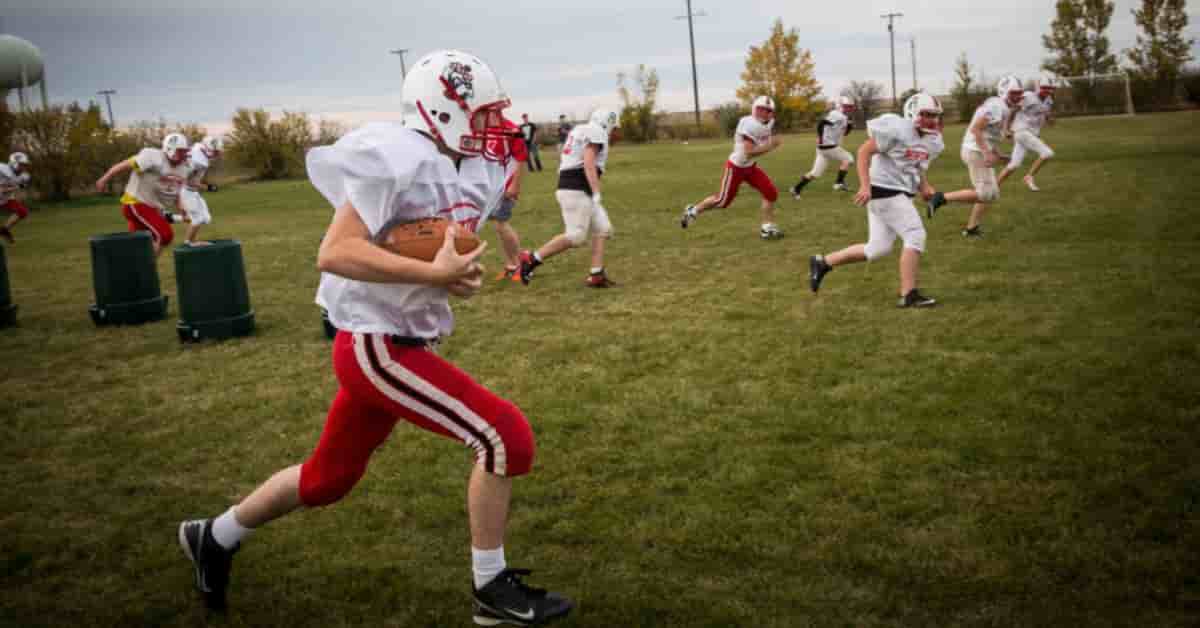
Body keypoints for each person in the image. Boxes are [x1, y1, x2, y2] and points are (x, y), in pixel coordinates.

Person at [176, 50, 574, 626]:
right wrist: (434, 275)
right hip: (375, 345)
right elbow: (334, 252)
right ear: (443, 108)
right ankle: (491, 592)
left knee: (327, 479)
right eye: (483, 114)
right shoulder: (396, 155)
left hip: (403, 340)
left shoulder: (472, 168)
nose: (494, 128)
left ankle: (215, 535)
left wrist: (452, 278)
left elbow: (434, 251)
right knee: (504, 436)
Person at [808, 92, 946, 308]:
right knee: (915, 234)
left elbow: (916, 166)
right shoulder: (897, 129)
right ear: (913, 112)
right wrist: (865, 185)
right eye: (926, 114)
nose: (931, 119)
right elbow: (864, 152)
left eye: (935, 115)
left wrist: (924, 186)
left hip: (898, 192)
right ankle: (909, 294)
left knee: (878, 248)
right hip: (883, 190)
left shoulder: (933, 140)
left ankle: (823, 262)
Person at [519, 108, 619, 288]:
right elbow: (588, 162)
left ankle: (596, 274)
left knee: (603, 228)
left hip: (572, 185)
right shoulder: (596, 132)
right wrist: (596, 191)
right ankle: (532, 258)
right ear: (607, 123)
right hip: (576, 188)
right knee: (576, 236)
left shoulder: (579, 129)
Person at [927, 75, 1023, 238]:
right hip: (975, 151)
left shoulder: (1001, 106)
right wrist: (987, 153)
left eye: (1019, 93)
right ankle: (941, 198)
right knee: (985, 193)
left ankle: (971, 228)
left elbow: (989, 135)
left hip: (977, 149)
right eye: (1013, 93)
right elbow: (976, 129)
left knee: (992, 194)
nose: (1017, 96)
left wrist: (998, 154)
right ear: (1004, 92)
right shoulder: (997, 107)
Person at [680, 95, 785, 239]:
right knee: (722, 202)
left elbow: (765, 133)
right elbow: (749, 153)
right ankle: (693, 210)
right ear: (754, 108)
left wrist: (769, 141)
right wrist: (771, 146)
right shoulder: (749, 124)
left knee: (770, 193)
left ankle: (767, 227)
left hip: (750, 167)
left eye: (766, 110)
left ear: (771, 112)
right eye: (760, 109)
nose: (762, 113)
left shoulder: (769, 122)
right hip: (736, 167)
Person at [95, 133, 193, 257]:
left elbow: (175, 192)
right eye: (181, 151)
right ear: (170, 149)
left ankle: (140, 271)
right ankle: (146, 267)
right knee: (165, 235)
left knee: (139, 245)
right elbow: (126, 164)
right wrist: (105, 178)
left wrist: (182, 208)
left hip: (152, 208)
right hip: (136, 202)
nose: (184, 154)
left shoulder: (184, 168)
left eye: (185, 151)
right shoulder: (153, 157)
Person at [997, 76, 1056, 191]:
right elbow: (1013, 111)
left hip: (1030, 133)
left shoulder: (1049, 100)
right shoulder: (1028, 96)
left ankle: (994, 186)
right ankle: (1029, 176)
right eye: (1045, 87)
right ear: (1038, 87)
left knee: (1014, 164)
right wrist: (1006, 129)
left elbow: (1045, 114)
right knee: (1047, 153)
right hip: (1022, 131)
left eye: (1050, 88)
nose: (1048, 90)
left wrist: (1049, 119)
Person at [790, 95, 857, 196]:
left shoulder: (843, 117)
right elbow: (821, 123)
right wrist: (821, 137)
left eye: (850, 106)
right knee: (849, 159)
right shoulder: (837, 114)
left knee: (815, 173)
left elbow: (845, 133)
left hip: (823, 147)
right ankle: (839, 182)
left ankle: (796, 189)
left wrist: (850, 125)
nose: (849, 108)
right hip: (827, 145)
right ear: (840, 105)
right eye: (846, 106)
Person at [490, 117, 529, 281]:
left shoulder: (511, 130)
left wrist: (515, 185)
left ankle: (520, 265)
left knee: (501, 224)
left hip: (506, 184)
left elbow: (521, 158)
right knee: (498, 226)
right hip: (492, 184)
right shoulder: (482, 128)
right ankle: (514, 262)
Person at [180, 135, 224, 245]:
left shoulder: (199, 149)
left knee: (205, 218)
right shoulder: (198, 162)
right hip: (186, 191)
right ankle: (189, 243)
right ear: (208, 149)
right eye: (216, 151)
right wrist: (207, 187)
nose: (217, 154)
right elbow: (187, 181)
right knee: (198, 219)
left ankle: (177, 219)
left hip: (192, 191)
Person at [0, 152, 33, 245]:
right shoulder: (2, 170)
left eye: (25, 165)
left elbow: (20, 187)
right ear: (14, 163)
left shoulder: (23, 176)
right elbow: (1, 190)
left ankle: (4, 230)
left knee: (22, 211)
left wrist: (18, 191)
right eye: (22, 165)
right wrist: (16, 187)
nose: (24, 167)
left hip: (5, 199)